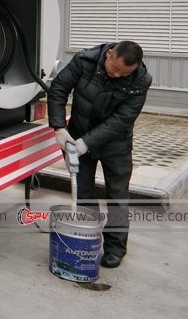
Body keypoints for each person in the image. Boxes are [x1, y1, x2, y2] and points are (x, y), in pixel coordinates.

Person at [47, 41, 151, 269]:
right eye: (115, 69)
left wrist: (88, 141)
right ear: (109, 54)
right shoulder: (85, 60)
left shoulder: (141, 79)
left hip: (116, 145)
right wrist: (58, 128)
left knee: (117, 196)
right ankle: (88, 238)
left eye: (125, 73)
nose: (117, 75)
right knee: (82, 193)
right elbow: (58, 89)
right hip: (77, 136)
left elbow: (122, 119)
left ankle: (115, 248)